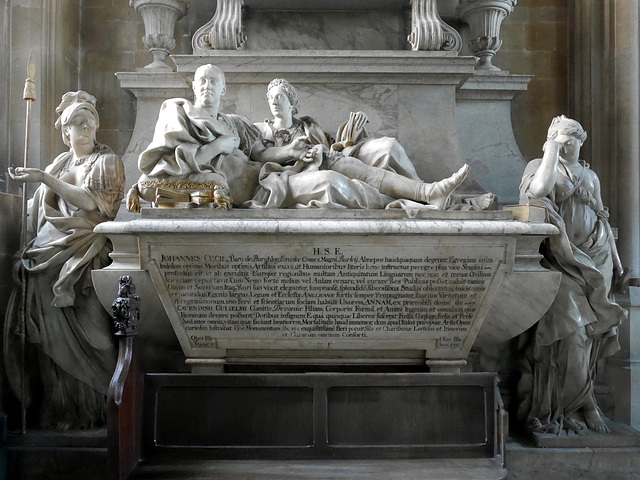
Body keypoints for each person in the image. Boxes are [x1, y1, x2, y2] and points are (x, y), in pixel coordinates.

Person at [6, 91, 125, 429]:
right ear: (65, 131)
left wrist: (44, 178)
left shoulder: (107, 162)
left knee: (97, 337)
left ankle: (101, 409)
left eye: (90, 121)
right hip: (45, 260)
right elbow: (34, 218)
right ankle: (65, 410)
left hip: (86, 257)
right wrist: (20, 252)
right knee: (53, 343)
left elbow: (92, 203)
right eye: (77, 122)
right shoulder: (57, 165)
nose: (86, 126)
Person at [518, 115, 628, 434]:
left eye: (572, 144)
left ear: (582, 141)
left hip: (597, 256)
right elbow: (538, 190)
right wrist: (550, 150)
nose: (568, 150)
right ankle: (573, 403)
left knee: (591, 335)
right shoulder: (540, 167)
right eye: (562, 144)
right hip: (560, 258)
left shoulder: (589, 175)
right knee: (570, 332)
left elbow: (602, 218)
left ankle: (586, 399)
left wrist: (618, 265)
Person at [247, 78, 469, 209]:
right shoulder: (260, 128)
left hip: (323, 160)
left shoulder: (308, 127)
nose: (275, 102)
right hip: (292, 175)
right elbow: (259, 156)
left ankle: (425, 192)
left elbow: (334, 145)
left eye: (280, 97)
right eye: (272, 98)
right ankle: (423, 195)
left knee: (357, 164)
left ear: (292, 103)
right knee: (337, 175)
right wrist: (290, 152)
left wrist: (351, 131)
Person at [129, 64, 309, 209]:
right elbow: (165, 168)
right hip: (247, 187)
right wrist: (217, 146)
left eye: (213, 82)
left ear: (223, 89)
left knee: (311, 178)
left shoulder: (236, 123)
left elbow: (261, 155)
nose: (207, 86)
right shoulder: (177, 114)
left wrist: (290, 151)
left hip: (262, 176)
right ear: (193, 86)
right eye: (202, 81)